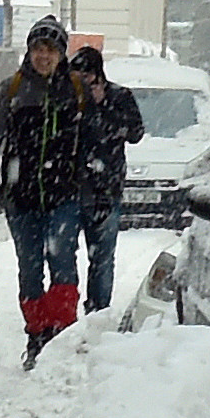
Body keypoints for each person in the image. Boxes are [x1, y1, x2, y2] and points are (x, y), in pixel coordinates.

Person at [0, 16, 87, 368]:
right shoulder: (12, 89)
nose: (44, 56)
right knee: (29, 268)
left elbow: (96, 141)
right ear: (29, 51)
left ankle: (61, 332)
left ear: (61, 54)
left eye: (51, 50)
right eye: (39, 49)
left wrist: (94, 184)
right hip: (21, 199)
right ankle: (36, 334)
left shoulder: (77, 91)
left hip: (64, 197)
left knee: (64, 265)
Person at [70, 45, 145, 314]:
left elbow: (135, 132)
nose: (83, 82)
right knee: (64, 256)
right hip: (71, 188)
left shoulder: (119, 96)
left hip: (106, 189)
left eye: (88, 76)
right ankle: (65, 308)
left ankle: (98, 310)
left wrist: (103, 107)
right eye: (77, 75)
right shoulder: (69, 97)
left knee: (102, 257)